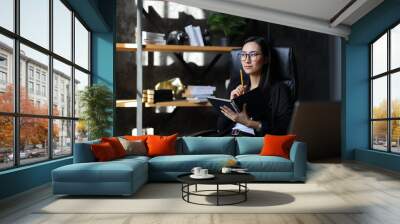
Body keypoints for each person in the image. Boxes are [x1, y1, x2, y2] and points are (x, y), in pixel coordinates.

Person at [217, 36, 294, 136]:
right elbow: (220, 128)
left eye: (253, 54)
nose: (247, 60)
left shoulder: (278, 89)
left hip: (253, 143)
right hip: (230, 138)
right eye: (243, 54)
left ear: (266, 59)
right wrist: (231, 104)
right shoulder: (236, 85)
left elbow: (283, 129)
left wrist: (249, 123)